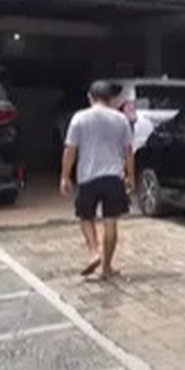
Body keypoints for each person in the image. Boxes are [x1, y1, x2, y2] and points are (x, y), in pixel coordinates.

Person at [60, 80, 135, 280]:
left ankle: (94, 252)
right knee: (111, 221)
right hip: (114, 177)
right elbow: (128, 151)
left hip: (88, 177)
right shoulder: (121, 119)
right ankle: (107, 267)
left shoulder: (79, 118)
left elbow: (70, 150)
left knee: (86, 217)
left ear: (90, 97)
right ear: (111, 99)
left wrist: (65, 176)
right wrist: (130, 176)